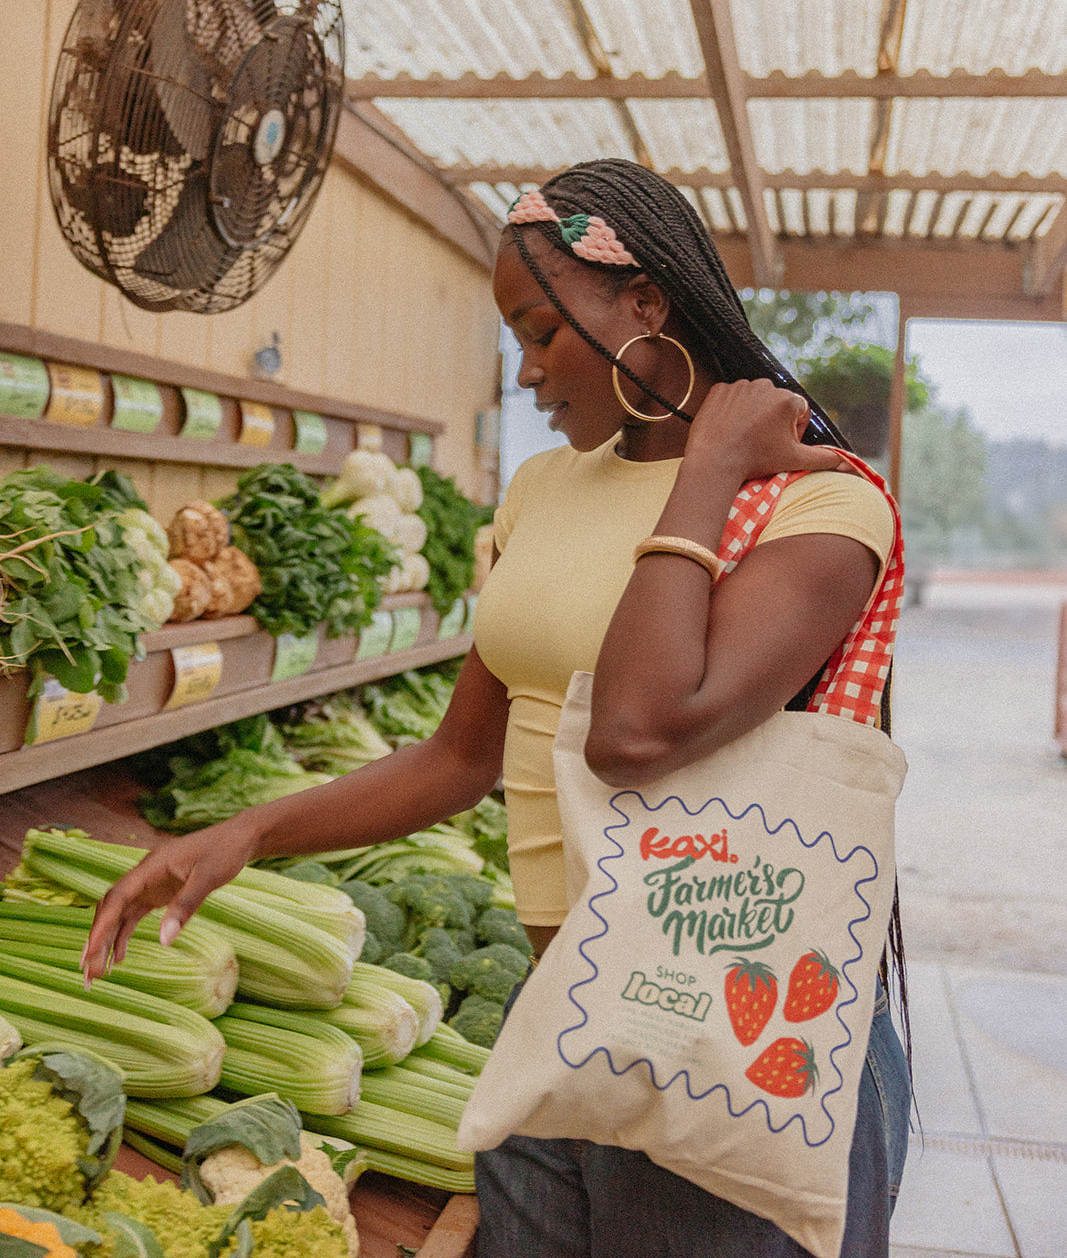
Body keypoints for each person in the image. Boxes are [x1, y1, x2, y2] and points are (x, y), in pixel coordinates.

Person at [84, 160, 911, 1258]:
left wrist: (707, 469)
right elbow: (459, 757)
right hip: (559, 1011)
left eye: (540, 332)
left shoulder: (819, 503)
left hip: (720, 1031)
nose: (523, 373)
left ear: (644, 305)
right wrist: (243, 834)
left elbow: (637, 732)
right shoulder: (540, 493)